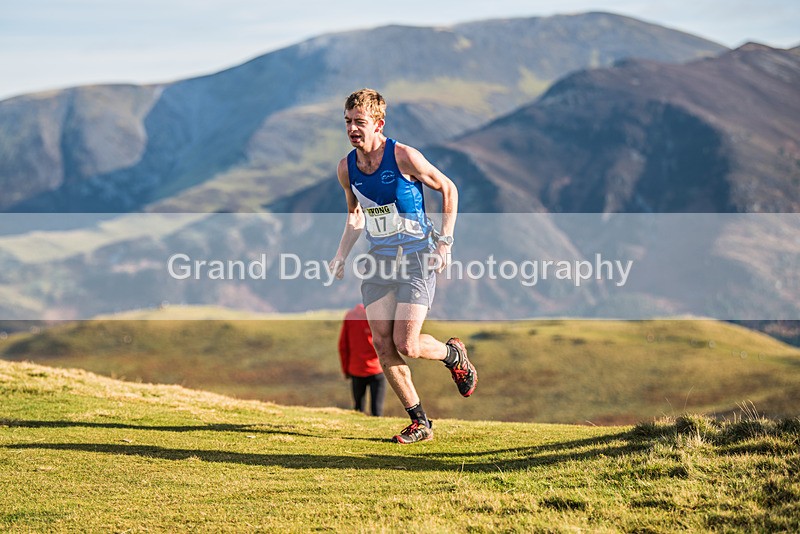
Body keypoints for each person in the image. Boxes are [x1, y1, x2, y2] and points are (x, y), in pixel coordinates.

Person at [329, 88, 477, 444]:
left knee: (407, 343)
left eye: (359, 122)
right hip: (379, 262)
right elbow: (355, 216)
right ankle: (419, 421)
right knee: (382, 343)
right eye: (348, 122)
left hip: (416, 257)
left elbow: (449, 188)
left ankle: (452, 354)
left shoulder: (404, 156)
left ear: (378, 123)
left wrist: (445, 241)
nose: (352, 129)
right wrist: (340, 255)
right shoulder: (346, 168)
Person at [338, 303, 386, 416]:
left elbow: (343, 346)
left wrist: (346, 370)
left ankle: (356, 431)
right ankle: (376, 433)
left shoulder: (350, 316)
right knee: (377, 410)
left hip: (355, 369)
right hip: (377, 369)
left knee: (358, 409)